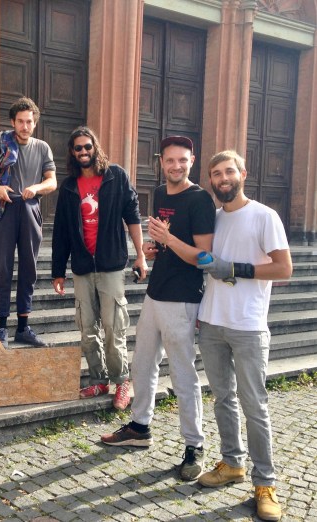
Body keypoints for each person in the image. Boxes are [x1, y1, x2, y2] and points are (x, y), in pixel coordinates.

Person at [101, 136, 216, 481]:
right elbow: (169, 243)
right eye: (170, 160)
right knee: (142, 363)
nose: (176, 166)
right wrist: (155, 249)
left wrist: (168, 240)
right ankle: (140, 427)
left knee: (183, 375)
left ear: (192, 161)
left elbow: (204, 257)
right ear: (161, 162)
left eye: (182, 160)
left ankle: (194, 445)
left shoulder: (200, 200)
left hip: (182, 298)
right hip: (156, 293)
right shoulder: (162, 193)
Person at [196, 151, 292, 521]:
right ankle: (232, 463)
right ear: (210, 180)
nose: (223, 178)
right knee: (223, 398)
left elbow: (284, 268)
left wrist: (236, 269)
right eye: (216, 173)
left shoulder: (265, 216)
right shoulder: (214, 218)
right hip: (212, 322)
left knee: (255, 406)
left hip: (249, 325)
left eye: (228, 171)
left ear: (243, 174)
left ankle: (265, 484)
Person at [51, 126, 147, 410]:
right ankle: (98, 379)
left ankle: (122, 381)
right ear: (72, 152)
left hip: (111, 264)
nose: (83, 152)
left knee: (113, 326)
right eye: (78, 148)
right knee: (87, 327)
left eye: (87, 147)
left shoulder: (115, 176)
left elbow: (133, 216)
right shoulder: (69, 186)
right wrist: (58, 271)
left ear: (95, 148)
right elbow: (61, 232)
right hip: (82, 266)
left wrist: (140, 255)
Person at [0, 97, 57, 348]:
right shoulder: (1, 144)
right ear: (13, 122)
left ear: (35, 123)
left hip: (30, 209)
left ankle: (23, 328)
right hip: (5, 209)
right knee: (3, 268)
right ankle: (2, 326)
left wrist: (37, 187)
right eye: (20, 121)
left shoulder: (42, 147)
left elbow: (52, 181)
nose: (25, 126)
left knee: (29, 269)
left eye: (29, 122)